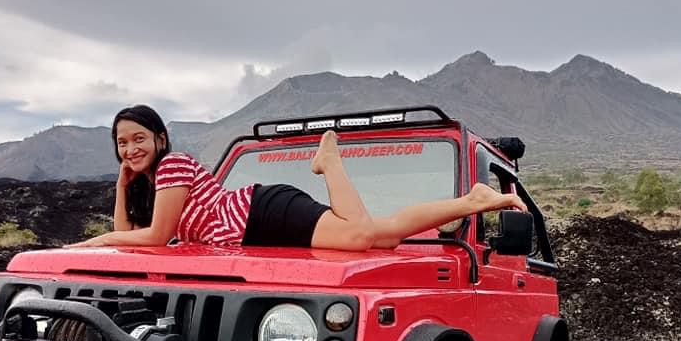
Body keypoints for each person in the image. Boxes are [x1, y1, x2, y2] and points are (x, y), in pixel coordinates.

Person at [68, 105, 527, 251]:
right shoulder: (146, 184)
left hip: (260, 212)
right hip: (250, 230)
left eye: (139, 138)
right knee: (383, 235)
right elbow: (132, 238)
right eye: (122, 142)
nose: (131, 149)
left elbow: (155, 238)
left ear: (160, 138)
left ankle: (330, 161)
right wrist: (122, 188)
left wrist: (94, 242)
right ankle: (472, 200)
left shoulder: (172, 165)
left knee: (363, 234)